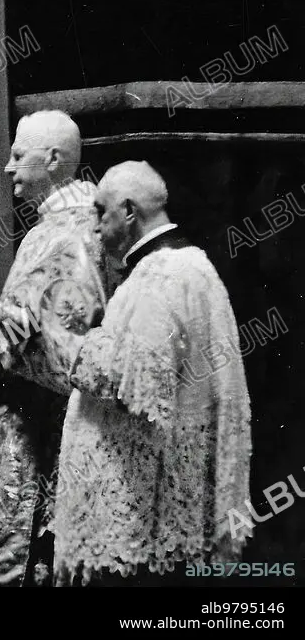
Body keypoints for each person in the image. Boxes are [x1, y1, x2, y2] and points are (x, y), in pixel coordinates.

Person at [35, 161, 252, 585]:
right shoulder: (188, 265)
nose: (95, 227)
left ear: (129, 211)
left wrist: (65, 341)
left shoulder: (162, 274)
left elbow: (137, 386)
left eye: (102, 212)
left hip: (141, 506)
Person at [0, 110, 107, 586]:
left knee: (20, 559)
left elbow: (57, 338)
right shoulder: (58, 227)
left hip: (35, 416)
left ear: (54, 160)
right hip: (26, 406)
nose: (7, 167)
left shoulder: (71, 232)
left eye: (19, 155)